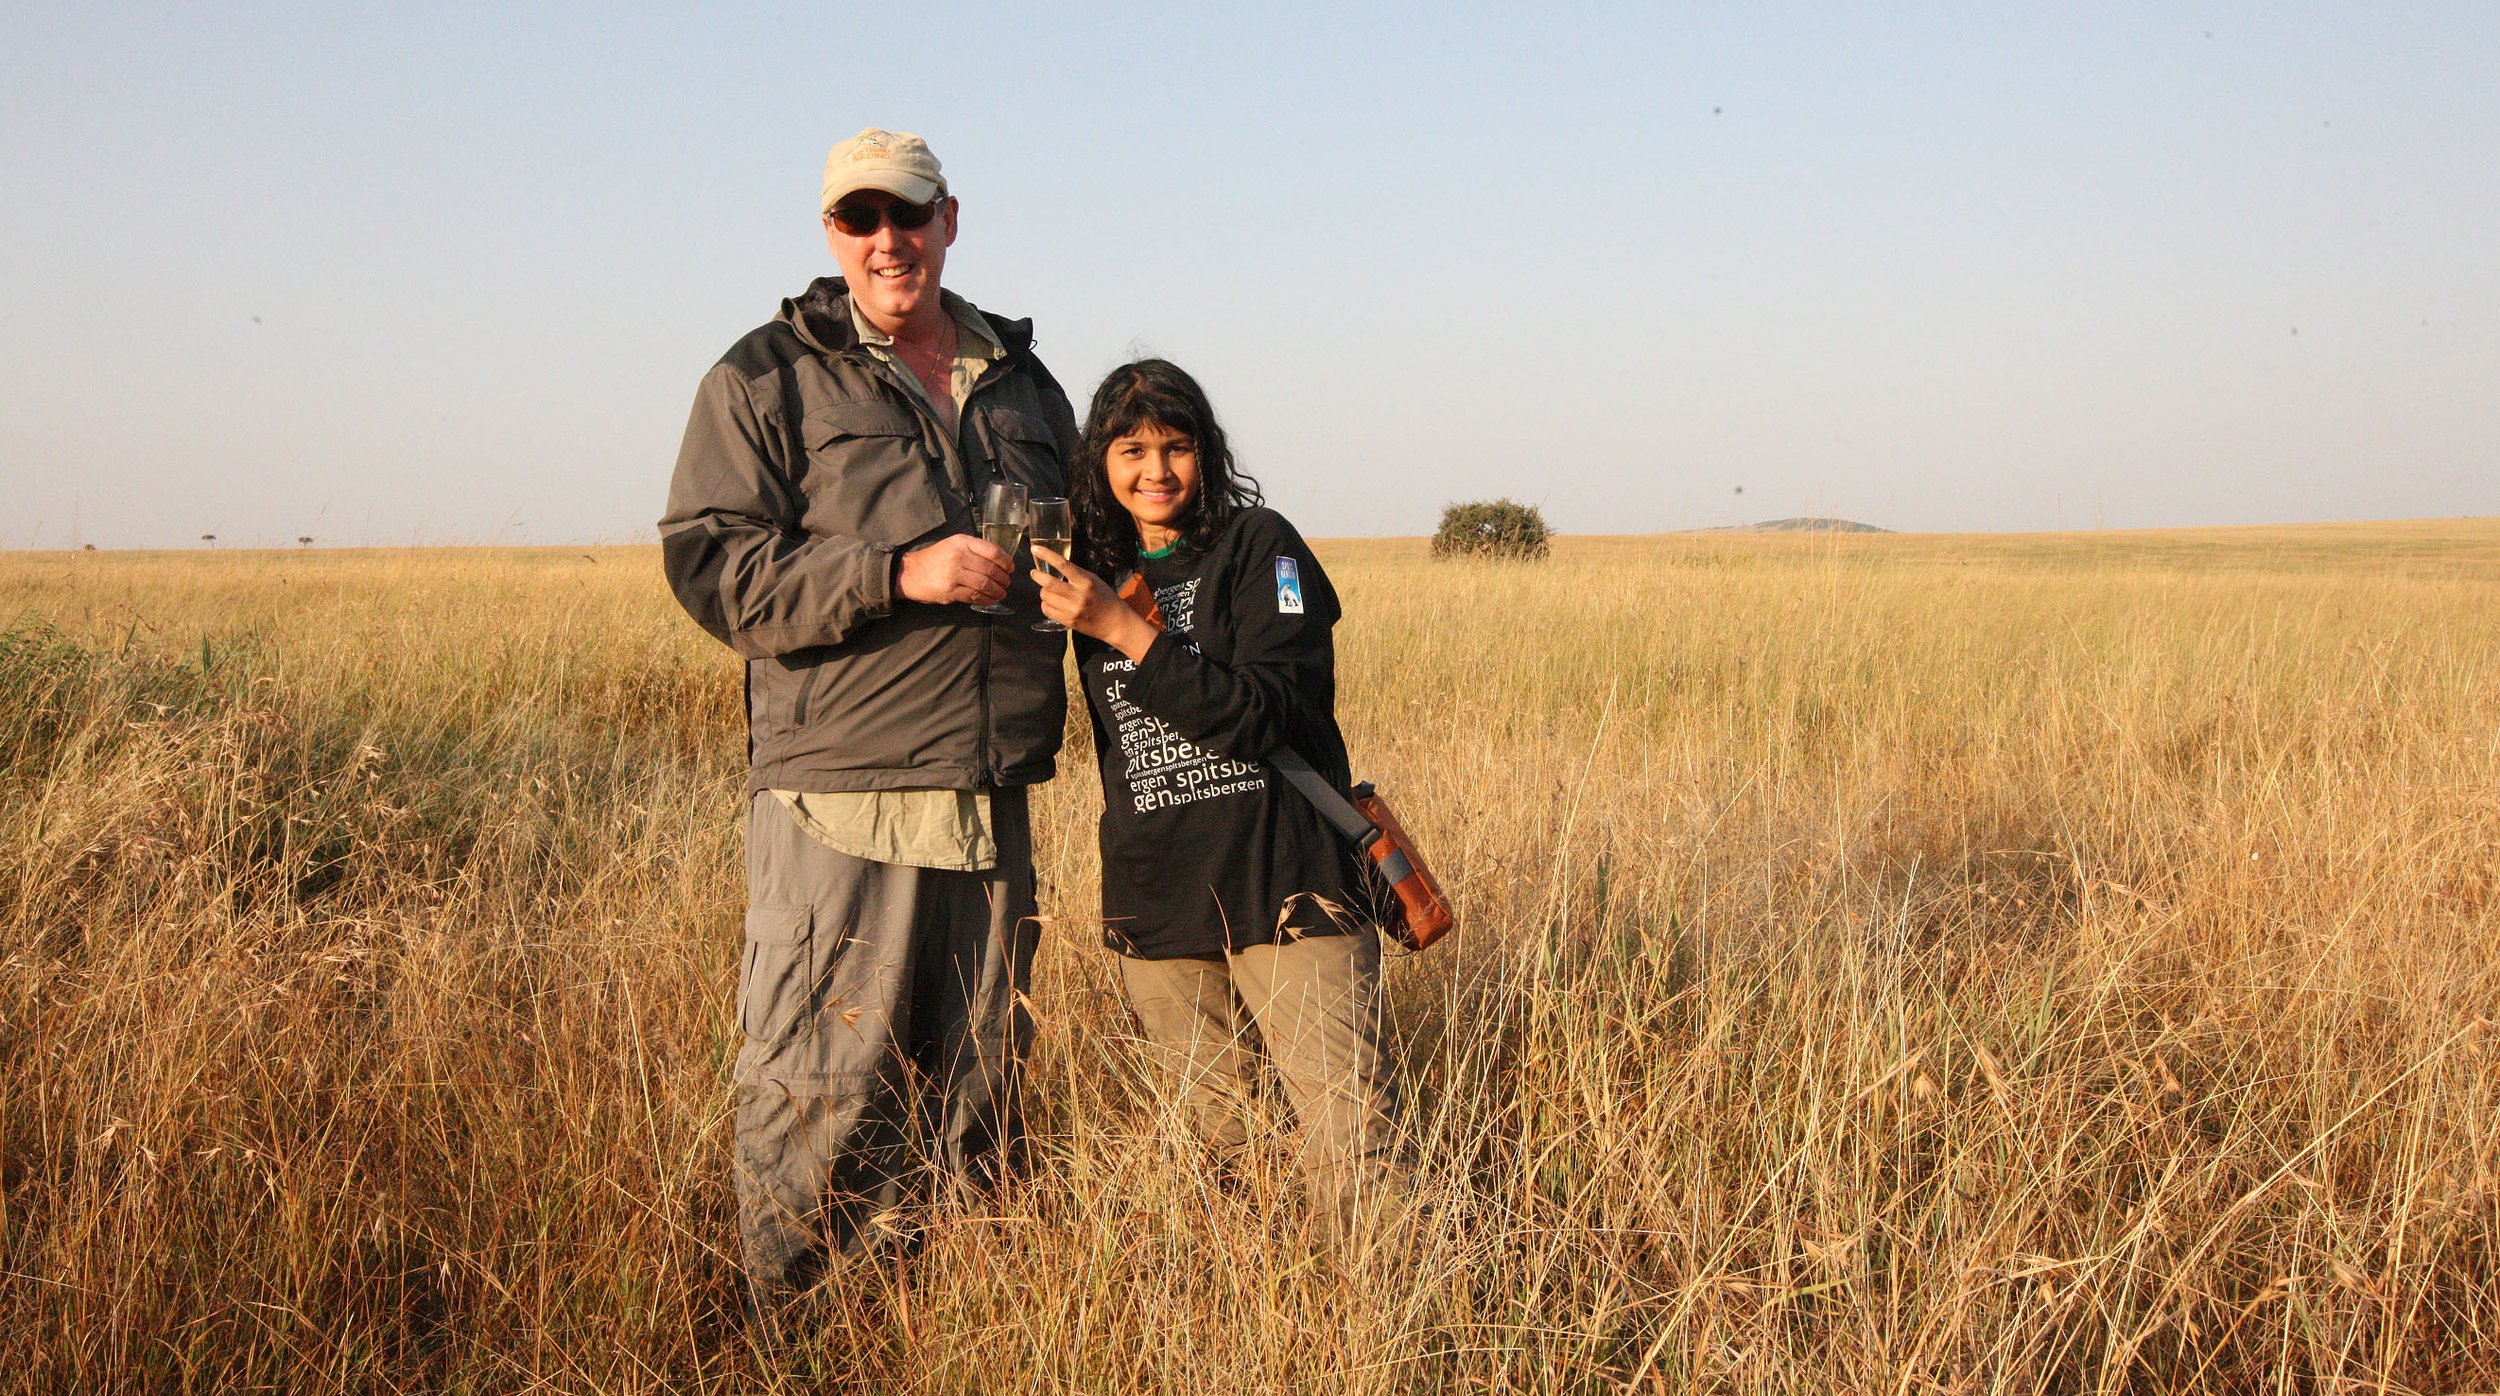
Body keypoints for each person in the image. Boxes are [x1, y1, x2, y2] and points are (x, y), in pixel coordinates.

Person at [658, 128, 1077, 1298]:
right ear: (830, 233)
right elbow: (711, 566)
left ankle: (945, 1323)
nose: (887, 239)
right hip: (843, 795)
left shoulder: (1022, 382)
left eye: (909, 214)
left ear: (951, 220)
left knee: (976, 1083)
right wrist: (896, 573)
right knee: (823, 1081)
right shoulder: (765, 377)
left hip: (990, 790)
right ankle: (795, 1335)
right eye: (860, 218)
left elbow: (1081, 545)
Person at [1027, 360, 1405, 1240]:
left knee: (1353, 1141)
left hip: (1288, 882)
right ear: (1099, 462)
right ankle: (1265, 1307)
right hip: (1161, 897)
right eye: (1131, 451)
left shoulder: (1262, 547)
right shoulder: (1089, 572)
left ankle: (1386, 1307)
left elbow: (1269, 710)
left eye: (1176, 447)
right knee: (1223, 1149)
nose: (1155, 471)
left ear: (1207, 452)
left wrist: (1122, 629)